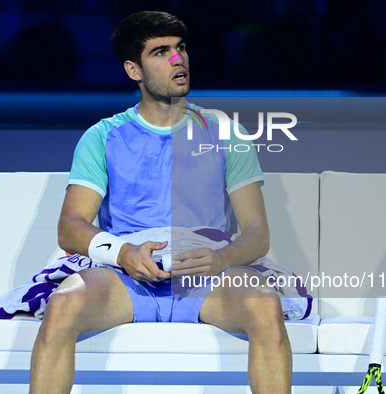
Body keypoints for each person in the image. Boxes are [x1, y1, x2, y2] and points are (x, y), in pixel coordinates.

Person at [29, 11, 292, 394]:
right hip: (126, 277)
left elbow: (257, 232)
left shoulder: (224, 132)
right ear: (133, 70)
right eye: (161, 52)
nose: (178, 59)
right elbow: (71, 226)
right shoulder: (102, 136)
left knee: (265, 305)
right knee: (63, 304)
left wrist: (221, 259)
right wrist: (123, 253)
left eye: (181, 48)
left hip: (208, 277)